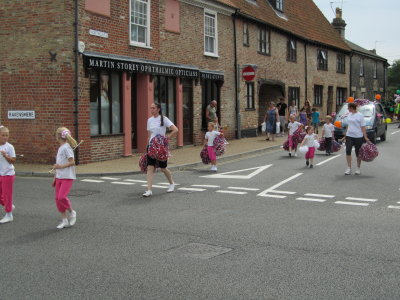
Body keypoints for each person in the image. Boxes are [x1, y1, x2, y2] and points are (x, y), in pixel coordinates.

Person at [143, 103, 178, 197]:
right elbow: (149, 135)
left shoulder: (164, 118)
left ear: (158, 109)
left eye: (153, 108)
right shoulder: (149, 120)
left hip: (161, 148)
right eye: (151, 108)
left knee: (163, 168)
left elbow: (175, 129)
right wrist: (147, 147)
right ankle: (149, 190)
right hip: (151, 147)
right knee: (150, 167)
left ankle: (171, 183)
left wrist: (166, 138)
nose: (152, 109)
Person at [52, 127, 78, 229]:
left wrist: (59, 167)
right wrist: (55, 176)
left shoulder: (67, 148)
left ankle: (72, 212)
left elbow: (72, 162)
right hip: (59, 177)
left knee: (61, 197)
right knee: (58, 199)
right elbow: (59, 163)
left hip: (67, 176)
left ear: (58, 136)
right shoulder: (60, 147)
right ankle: (64, 220)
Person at [341, 102, 370, 175]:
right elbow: (348, 125)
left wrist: (365, 137)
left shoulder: (360, 115)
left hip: (358, 136)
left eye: (348, 108)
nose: (348, 109)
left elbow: (363, 127)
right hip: (349, 135)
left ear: (352, 108)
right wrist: (345, 136)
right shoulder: (349, 115)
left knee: (358, 152)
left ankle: (358, 168)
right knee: (348, 151)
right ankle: (349, 168)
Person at [0, 126, 16, 224]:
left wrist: (6, 156)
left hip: (8, 174)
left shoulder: (9, 147)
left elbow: (13, 161)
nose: (5, 137)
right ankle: (9, 205)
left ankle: (9, 215)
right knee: (2, 196)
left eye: (7, 135)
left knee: (7, 195)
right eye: (3, 135)